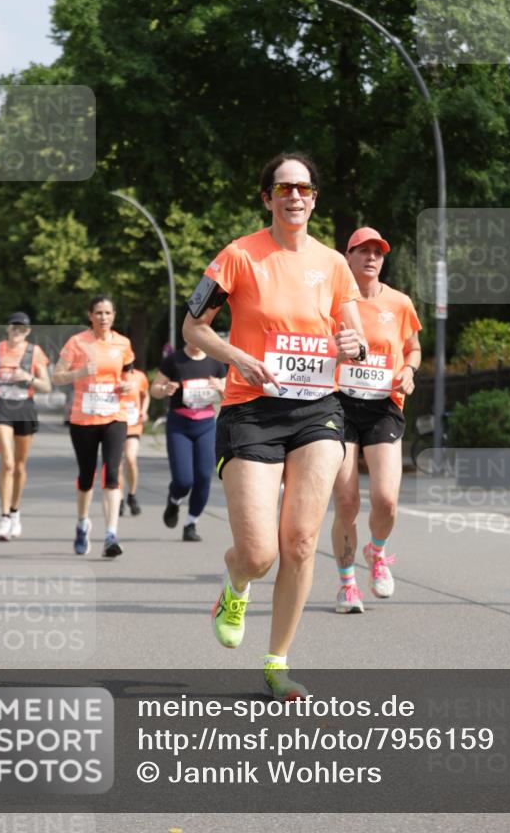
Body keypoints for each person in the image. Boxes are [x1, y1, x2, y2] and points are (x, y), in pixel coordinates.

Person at [183, 151, 366, 700]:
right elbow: (193, 327)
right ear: (268, 198)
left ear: (314, 199)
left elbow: (351, 331)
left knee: (303, 541)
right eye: (284, 188)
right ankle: (236, 582)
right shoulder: (239, 257)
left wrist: (353, 345)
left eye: (304, 189)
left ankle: (277, 661)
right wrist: (234, 355)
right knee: (261, 551)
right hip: (252, 409)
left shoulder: (334, 263)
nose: (295, 196)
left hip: (318, 409)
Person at [331, 228, 421, 613]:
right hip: (339, 404)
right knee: (347, 502)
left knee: (386, 499)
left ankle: (377, 551)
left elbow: (412, 348)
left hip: (384, 405)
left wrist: (411, 371)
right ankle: (348, 585)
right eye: (363, 251)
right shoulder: (333, 302)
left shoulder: (399, 303)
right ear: (347, 256)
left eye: (378, 253)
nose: (371, 258)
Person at [52, 295, 134, 558]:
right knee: (86, 477)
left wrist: (126, 384)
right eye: (98, 312)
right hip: (84, 418)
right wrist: (78, 373)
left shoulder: (123, 343)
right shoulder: (77, 343)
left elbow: (128, 374)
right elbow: (57, 376)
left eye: (108, 313)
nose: (103, 317)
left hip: (114, 415)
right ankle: (82, 523)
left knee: (112, 473)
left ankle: (111, 534)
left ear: (114, 315)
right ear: (90, 315)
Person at [0, 313, 51, 541]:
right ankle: (3, 517)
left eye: (22, 328)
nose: (17, 330)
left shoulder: (35, 352)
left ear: (28, 331)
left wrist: (28, 377)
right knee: (8, 463)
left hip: (24, 408)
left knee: (20, 466)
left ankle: (15, 511)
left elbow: (46, 386)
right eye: (14, 326)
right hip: (1, 407)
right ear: (7, 328)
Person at [150, 342, 227, 541]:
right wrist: (165, 388)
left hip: (206, 425)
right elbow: (154, 390)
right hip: (179, 424)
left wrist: (220, 387)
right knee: (184, 480)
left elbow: (230, 395)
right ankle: (174, 500)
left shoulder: (216, 362)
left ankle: (191, 523)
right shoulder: (173, 360)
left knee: (203, 477)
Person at [119, 365, 150, 516]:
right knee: (116, 465)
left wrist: (143, 411)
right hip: (115, 424)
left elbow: (146, 395)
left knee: (131, 459)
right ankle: (118, 499)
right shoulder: (112, 376)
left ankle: (132, 495)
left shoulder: (139, 377)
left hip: (133, 425)